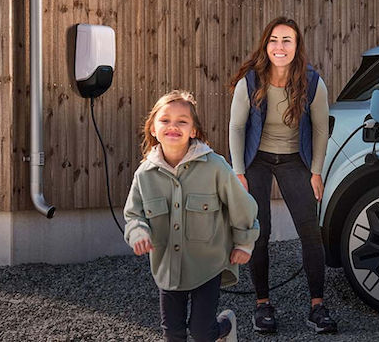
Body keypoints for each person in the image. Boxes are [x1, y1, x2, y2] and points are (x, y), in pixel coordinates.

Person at [228, 17, 337, 334]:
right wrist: (238, 171)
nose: (280, 46)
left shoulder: (312, 83)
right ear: (266, 45)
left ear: (297, 46)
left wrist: (315, 171)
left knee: (310, 233)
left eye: (287, 40)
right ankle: (263, 305)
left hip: (295, 160)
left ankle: (317, 306)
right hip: (257, 160)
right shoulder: (250, 82)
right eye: (274, 40)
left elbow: (320, 130)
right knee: (259, 231)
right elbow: (237, 127)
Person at [124, 90, 260, 342]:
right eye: (165, 120)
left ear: (194, 130)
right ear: (153, 128)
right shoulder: (144, 175)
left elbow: (243, 206)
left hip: (208, 265)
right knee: (172, 333)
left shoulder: (215, 167)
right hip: (167, 267)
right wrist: (139, 232)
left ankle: (225, 327)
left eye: (182, 121)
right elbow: (134, 214)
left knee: (201, 331)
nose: (173, 126)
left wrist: (244, 242)